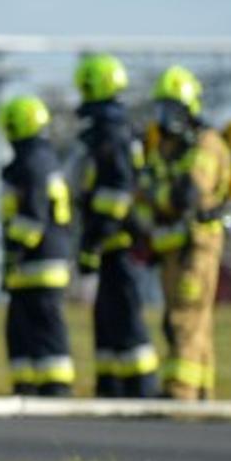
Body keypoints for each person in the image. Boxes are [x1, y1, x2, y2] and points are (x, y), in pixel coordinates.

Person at [72, 53, 160, 398]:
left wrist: (95, 237)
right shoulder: (108, 130)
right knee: (108, 318)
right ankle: (111, 389)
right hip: (111, 241)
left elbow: (117, 190)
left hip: (120, 241)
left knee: (125, 317)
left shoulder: (111, 133)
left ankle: (141, 389)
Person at [142, 67, 229, 401]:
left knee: (186, 318)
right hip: (172, 247)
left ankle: (181, 391)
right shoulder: (165, 147)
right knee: (188, 320)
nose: (166, 117)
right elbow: (146, 187)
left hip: (197, 247)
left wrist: (160, 197)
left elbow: (188, 195)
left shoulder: (206, 145)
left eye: (173, 109)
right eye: (162, 109)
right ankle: (201, 392)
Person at [0, 96, 75, 396]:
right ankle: (27, 386)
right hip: (35, 260)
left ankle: (55, 388)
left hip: (38, 260)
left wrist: (13, 251)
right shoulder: (39, 159)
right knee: (21, 326)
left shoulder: (32, 164)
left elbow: (32, 216)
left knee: (44, 325)